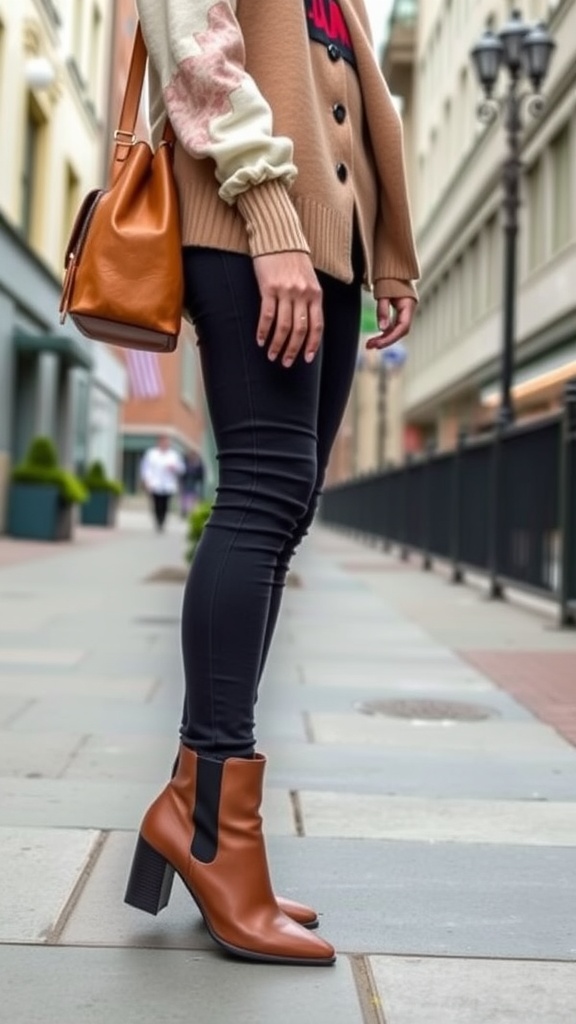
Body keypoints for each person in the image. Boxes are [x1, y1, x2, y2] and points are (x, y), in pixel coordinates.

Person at [125, 0, 419, 967]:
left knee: (288, 505)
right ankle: (216, 831)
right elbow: (196, 47)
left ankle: (195, 806)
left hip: (325, 237)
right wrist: (268, 210)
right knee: (258, 496)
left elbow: (353, 82)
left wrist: (390, 251)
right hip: (253, 221)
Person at [139, 435, 185, 531]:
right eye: (163, 442)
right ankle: (158, 521)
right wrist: (146, 480)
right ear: (159, 442)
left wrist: (174, 468)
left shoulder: (173, 455)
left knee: (165, 504)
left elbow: (182, 469)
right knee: (156, 504)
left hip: (168, 485)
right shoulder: (151, 454)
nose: (165, 444)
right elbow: (145, 468)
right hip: (155, 484)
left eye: (167, 442)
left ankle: (162, 521)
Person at [179, 449, 205, 517]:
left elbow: (201, 475)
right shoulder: (185, 462)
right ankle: (185, 511)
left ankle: (192, 512)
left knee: (193, 498)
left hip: (194, 483)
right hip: (186, 482)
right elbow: (182, 473)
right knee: (185, 497)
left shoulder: (198, 463)